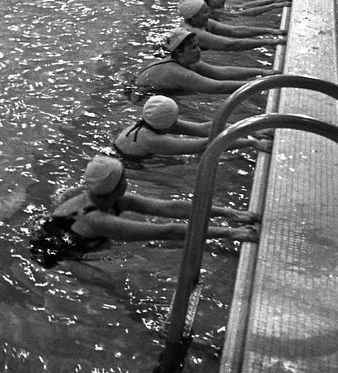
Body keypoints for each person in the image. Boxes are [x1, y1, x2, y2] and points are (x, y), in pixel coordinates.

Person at [29, 155, 258, 268]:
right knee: (127, 269)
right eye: (125, 178)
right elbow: (166, 232)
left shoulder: (108, 198)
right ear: (117, 186)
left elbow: (168, 207)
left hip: (69, 230)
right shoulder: (98, 219)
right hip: (61, 254)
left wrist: (228, 213)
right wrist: (230, 234)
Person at [113, 95, 269, 159]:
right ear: (167, 122)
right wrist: (252, 143)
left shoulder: (152, 121)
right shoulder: (151, 139)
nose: (177, 121)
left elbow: (204, 128)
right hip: (131, 165)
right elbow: (206, 144)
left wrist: (252, 128)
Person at [134, 29, 275, 95]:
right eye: (193, 47)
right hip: (140, 99)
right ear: (179, 52)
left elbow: (220, 72)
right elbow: (217, 87)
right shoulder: (176, 71)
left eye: (198, 45)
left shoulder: (186, 62)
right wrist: (264, 85)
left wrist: (261, 72)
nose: (199, 50)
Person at [177, 0, 285, 51]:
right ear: (193, 17)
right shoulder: (193, 32)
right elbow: (229, 44)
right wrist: (270, 42)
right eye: (205, 12)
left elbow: (235, 30)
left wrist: (270, 31)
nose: (210, 13)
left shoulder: (201, 22)